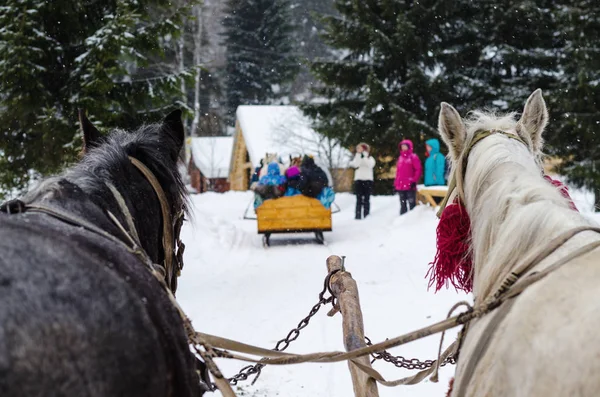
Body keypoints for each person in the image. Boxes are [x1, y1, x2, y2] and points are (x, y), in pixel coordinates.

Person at [394, 139, 422, 215]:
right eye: (402, 146)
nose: (403, 148)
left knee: (411, 203)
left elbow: (418, 170)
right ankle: (402, 220)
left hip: (410, 185)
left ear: (409, 147)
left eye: (405, 146)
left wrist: (414, 181)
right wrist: (396, 184)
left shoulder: (413, 157)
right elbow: (398, 172)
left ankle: (411, 221)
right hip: (400, 185)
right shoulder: (400, 158)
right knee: (402, 204)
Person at [348, 143, 376, 219]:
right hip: (358, 180)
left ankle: (366, 215)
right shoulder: (357, 157)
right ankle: (358, 216)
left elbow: (370, 165)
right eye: (357, 148)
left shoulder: (370, 158)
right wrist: (358, 155)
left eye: (360, 148)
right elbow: (356, 164)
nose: (358, 150)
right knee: (358, 199)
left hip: (368, 180)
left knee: (367, 199)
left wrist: (364, 156)